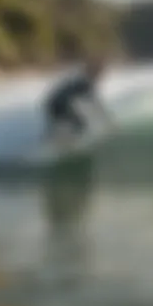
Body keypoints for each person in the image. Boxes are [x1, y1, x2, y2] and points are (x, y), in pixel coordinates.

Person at [39, 56, 113, 285]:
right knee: (78, 125)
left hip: (52, 105)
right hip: (55, 106)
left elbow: (88, 103)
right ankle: (58, 142)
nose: (102, 76)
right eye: (100, 72)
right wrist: (109, 121)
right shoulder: (85, 82)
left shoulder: (80, 81)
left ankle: (56, 142)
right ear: (93, 72)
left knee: (75, 126)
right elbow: (94, 104)